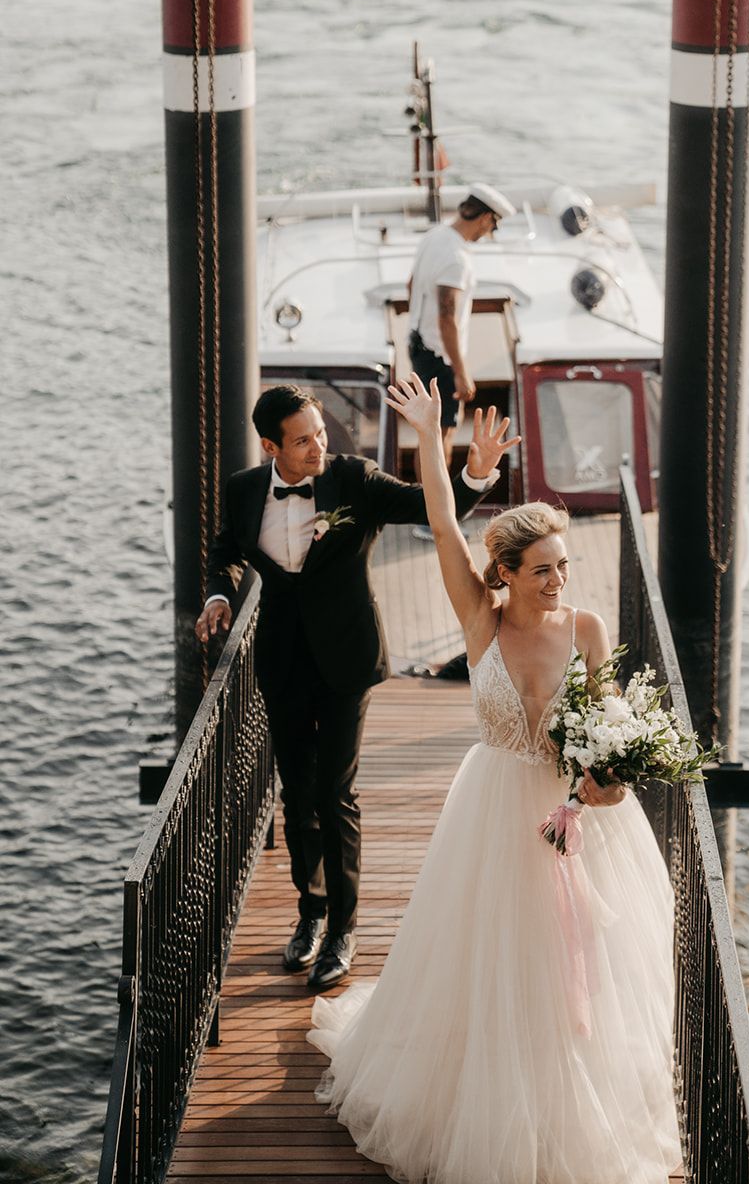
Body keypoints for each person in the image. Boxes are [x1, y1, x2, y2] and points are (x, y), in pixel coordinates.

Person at [309, 374, 682, 1184]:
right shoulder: (479, 620)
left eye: (563, 565)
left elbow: (608, 722)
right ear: (505, 573)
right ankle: (486, 1104)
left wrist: (609, 783)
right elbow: (444, 523)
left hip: (577, 815)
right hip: (495, 809)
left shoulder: (587, 627)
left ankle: (566, 1108)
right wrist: (430, 437)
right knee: (497, 959)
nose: (558, 580)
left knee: (580, 964)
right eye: (541, 569)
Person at [195, 383, 513, 990]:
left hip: (348, 658)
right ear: (270, 447)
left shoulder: (354, 479)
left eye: (320, 432)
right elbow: (226, 551)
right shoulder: (243, 489)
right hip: (282, 660)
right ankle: (310, 912)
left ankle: (343, 928)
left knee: (334, 794)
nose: (318, 446)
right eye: (302, 440)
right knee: (296, 795)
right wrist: (218, 595)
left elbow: (430, 508)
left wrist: (475, 472)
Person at [407, 183, 516, 467]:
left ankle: (426, 493)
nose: (489, 232)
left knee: (428, 433)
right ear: (485, 218)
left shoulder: (434, 236)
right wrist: (461, 372)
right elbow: (447, 318)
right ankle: (435, 495)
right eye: (493, 226)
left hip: (419, 344)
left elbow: (411, 285)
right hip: (439, 357)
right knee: (441, 434)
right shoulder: (457, 259)